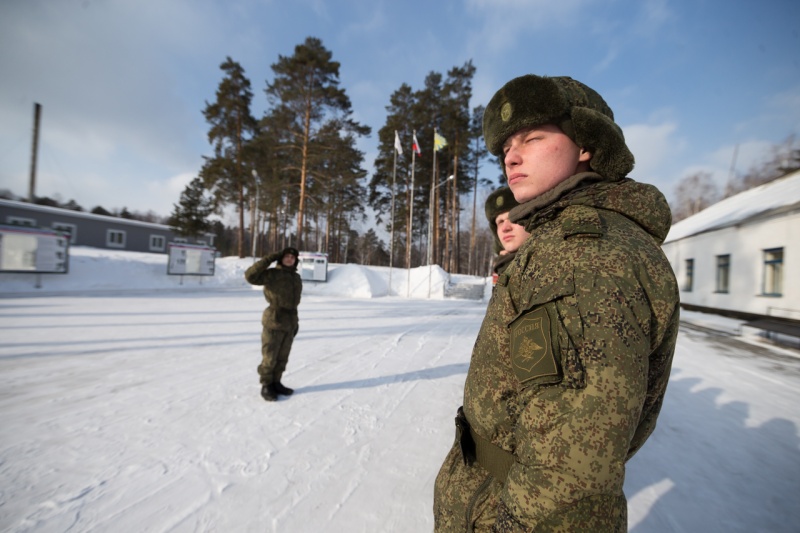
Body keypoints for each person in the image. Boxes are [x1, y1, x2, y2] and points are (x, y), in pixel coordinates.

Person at [433, 75, 680, 531]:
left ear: (585, 144)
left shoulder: (584, 253)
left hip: (508, 510)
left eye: (533, 137)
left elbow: (571, 467)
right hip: (491, 493)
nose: (511, 154)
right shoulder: (561, 242)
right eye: (508, 144)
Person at [245, 247, 303, 402]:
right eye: (287, 256)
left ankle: (276, 382)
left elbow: (294, 303)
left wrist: (295, 323)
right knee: (270, 357)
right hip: (274, 321)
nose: (290, 259)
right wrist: (270, 258)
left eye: (293, 257)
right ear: (281, 258)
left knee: (282, 357)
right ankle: (266, 385)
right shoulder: (272, 274)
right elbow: (250, 276)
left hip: (290, 322)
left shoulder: (296, 278)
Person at [484, 186, 529, 282]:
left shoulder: (549, 263)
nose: (505, 228)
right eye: (500, 222)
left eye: (513, 218)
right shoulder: (502, 268)